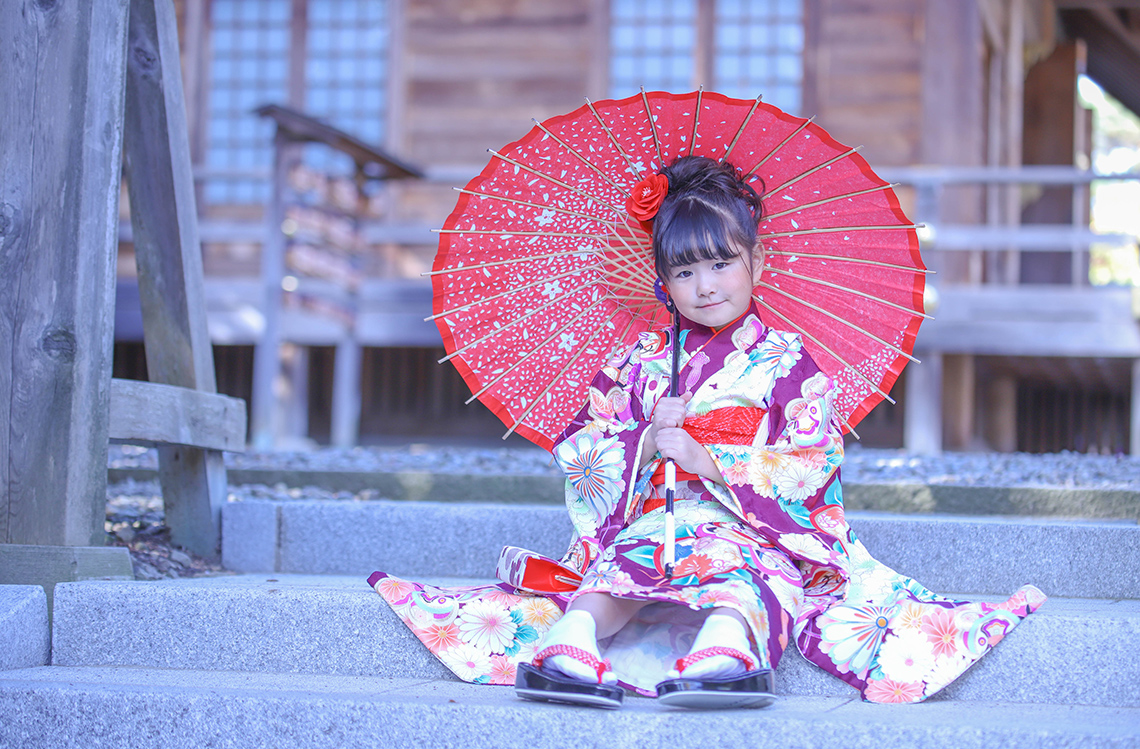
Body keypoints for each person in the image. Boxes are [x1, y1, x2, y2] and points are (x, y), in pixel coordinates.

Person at [368, 155, 1045, 710]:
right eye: (684, 271)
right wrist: (641, 437)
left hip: (751, 524)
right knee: (623, 564)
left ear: (756, 261)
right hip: (656, 516)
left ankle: (726, 647)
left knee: (749, 574)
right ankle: (572, 640)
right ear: (662, 282)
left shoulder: (785, 358)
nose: (705, 285)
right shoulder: (639, 358)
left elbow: (814, 460)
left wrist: (709, 457)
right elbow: (585, 448)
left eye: (721, 263)